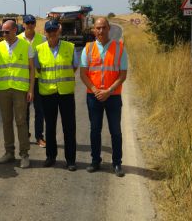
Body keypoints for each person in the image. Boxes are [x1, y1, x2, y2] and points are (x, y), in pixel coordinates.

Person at [79, 17, 128, 177]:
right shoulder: (88, 48)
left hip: (113, 96)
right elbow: (83, 74)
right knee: (95, 130)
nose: (100, 31)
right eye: (97, 28)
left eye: (103, 28)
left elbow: (123, 75)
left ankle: (117, 163)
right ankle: (95, 161)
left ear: (109, 28)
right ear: (94, 30)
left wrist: (108, 90)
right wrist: (94, 90)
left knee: (115, 131)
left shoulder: (119, 48)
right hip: (93, 97)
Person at [35, 20, 79, 171]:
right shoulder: (39, 49)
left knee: (69, 127)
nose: (52, 33)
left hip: (66, 92)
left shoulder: (70, 47)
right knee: (50, 127)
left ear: (59, 31)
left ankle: (71, 160)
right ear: (45, 33)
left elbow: (74, 67)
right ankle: (51, 156)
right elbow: (38, 69)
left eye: (54, 30)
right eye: (49, 31)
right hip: (47, 93)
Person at [0, 20, 35, 168]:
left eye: (6, 31)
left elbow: (31, 69)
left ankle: (24, 154)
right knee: (6, 122)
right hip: (3, 89)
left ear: (15, 30)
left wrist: (31, 90)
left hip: (20, 89)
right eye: (2, 32)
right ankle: (9, 152)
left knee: (21, 122)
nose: (4, 34)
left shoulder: (26, 46)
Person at [18, 14, 47, 148]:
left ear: (35, 24)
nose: (29, 25)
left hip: (38, 79)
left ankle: (39, 137)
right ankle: (25, 134)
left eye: (32, 23)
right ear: (23, 24)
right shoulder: (17, 40)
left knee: (39, 109)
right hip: (23, 80)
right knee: (24, 110)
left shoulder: (42, 40)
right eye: (27, 23)